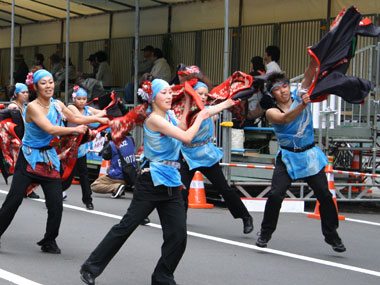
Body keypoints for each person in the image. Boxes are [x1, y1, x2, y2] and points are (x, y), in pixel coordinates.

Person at [80, 79, 209, 285]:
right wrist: (202, 115)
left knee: (178, 235)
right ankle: (90, 267)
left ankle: (162, 276)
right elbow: (186, 136)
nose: (169, 96)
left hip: (171, 183)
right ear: (153, 98)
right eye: (164, 92)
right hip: (150, 181)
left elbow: (183, 124)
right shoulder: (153, 119)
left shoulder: (169, 115)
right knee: (126, 227)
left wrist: (192, 101)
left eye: (170, 92)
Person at [0, 69, 108, 254]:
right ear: (36, 86)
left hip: (49, 159)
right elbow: (51, 129)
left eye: (51, 82)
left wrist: (99, 117)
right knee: (14, 200)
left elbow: (75, 118)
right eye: (44, 83)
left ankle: (49, 240)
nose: (49, 85)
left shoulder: (57, 104)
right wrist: (77, 130)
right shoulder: (33, 107)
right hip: (29, 159)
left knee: (56, 203)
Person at [255, 59, 346, 252]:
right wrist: (303, 106)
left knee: (325, 195)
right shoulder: (272, 111)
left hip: (309, 155)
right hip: (288, 157)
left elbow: (309, 74)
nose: (284, 91)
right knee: (276, 194)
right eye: (278, 89)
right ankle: (265, 232)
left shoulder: (299, 95)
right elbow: (286, 118)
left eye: (285, 86)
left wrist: (314, 57)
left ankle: (332, 235)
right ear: (272, 94)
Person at [179, 81, 254, 234]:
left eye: (205, 94)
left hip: (206, 154)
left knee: (224, 189)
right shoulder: (183, 112)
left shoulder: (208, 110)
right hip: (187, 154)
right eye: (199, 93)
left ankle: (245, 217)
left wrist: (229, 101)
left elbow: (214, 110)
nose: (203, 96)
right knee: (181, 191)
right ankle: (179, 221)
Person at [61, 86, 106, 210]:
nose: (82, 101)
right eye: (79, 99)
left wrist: (112, 107)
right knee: (66, 173)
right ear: (74, 99)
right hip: (69, 146)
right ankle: (57, 192)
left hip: (81, 147)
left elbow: (102, 114)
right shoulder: (71, 108)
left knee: (84, 174)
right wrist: (99, 117)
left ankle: (88, 200)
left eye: (84, 99)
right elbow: (81, 120)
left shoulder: (88, 109)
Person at [7, 83, 40, 199]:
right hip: (15, 141)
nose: (26, 95)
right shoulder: (13, 107)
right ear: (16, 94)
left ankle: (26, 189)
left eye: (27, 92)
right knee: (21, 167)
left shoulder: (26, 107)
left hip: (26, 140)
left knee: (27, 166)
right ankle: (23, 190)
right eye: (23, 92)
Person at [90, 133, 137, 199]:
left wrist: (106, 141)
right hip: (131, 174)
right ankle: (119, 188)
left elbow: (105, 156)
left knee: (94, 186)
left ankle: (116, 187)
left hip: (120, 176)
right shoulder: (130, 140)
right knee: (108, 169)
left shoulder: (112, 145)